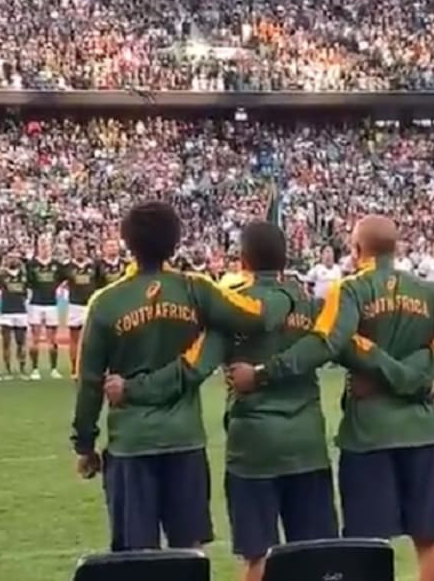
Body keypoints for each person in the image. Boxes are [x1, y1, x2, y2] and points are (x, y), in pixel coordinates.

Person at [231, 215, 434, 581]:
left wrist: (264, 372)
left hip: (369, 435)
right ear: (397, 246)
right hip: (423, 432)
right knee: (429, 540)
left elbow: (327, 343)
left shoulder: (350, 290)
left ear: (357, 250)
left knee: (367, 545)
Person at [105, 221, 340, 581]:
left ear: (242, 259)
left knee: (258, 558)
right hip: (308, 444)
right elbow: (332, 347)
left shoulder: (232, 309)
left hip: (253, 449)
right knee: (312, 560)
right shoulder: (310, 305)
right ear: (285, 258)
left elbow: (193, 369)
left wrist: (133, 389)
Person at [69, 201, 294, 553]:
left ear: (127, 243)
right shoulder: (196, 289)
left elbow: (88, 380)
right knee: (188, 551)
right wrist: (284, 295)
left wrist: (84, 444)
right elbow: (256, 317)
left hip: (131, 442)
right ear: (175, 243)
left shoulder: (106, 302)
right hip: (184, 440)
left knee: (136, 554)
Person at [27, 237, 64, 379]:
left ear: (50, 247)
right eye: (42, 245)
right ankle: (35, 369)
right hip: (36, 303)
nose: (44, 248)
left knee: (52, 339)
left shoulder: (56, 264)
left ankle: (53, 368)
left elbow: (61, 279)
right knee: (35, 338)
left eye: (47, 245)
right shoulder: (31, 264)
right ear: (37, 247)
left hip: (52, 303)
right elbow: (28, 282)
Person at [64, 240, 98, 377]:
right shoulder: (67, 267)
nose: (81, 251)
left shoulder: (94, 265)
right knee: (74, 338)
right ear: (73, 250)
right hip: (75, 305)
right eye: (77, 249)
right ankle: (74, 369)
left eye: (83, 248)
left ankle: (91, 368)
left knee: (93, 339)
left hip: (91, 305)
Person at [0, 249, 30, 381]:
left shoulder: (24, 275)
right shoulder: (2, 275)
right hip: (6, 311)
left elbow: (26, 291)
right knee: (6, 342)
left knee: (21, 342)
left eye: (16, 258)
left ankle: (22, 369)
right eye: (10, 258)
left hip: (21, 311)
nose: (13, 260)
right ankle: (8, 369)